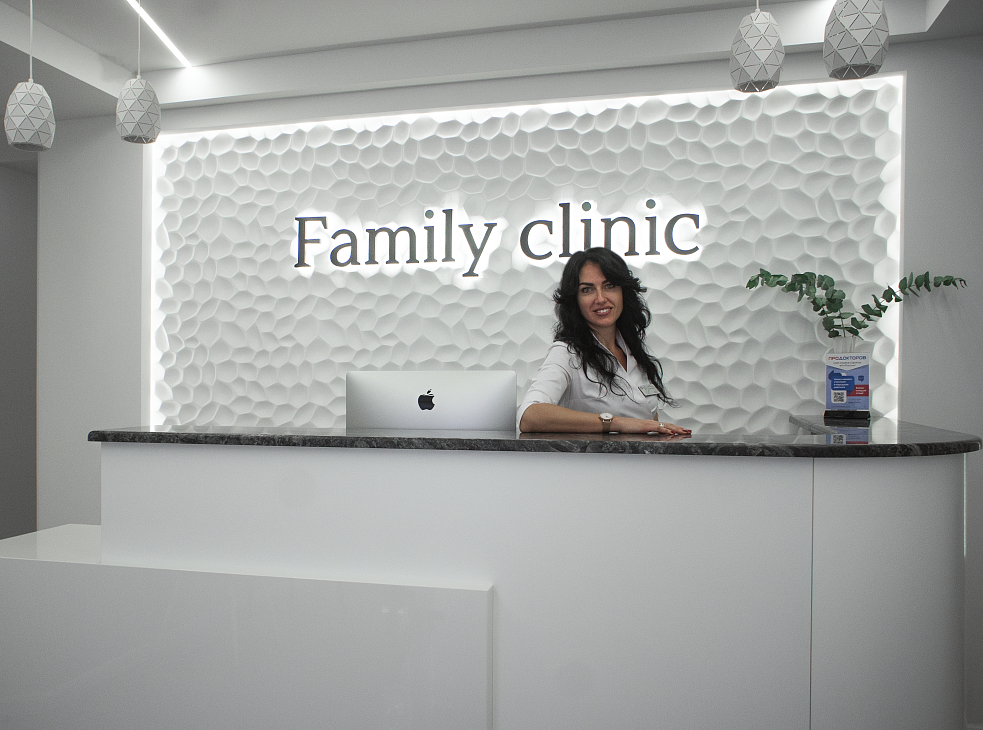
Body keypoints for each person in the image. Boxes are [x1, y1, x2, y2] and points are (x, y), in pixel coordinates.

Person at [518, 248, 690, 435]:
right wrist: (616, 423)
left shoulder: (632, 351)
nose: (600, 298)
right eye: (587, 290)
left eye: (609, 286)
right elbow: (529, 416)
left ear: (623, 292)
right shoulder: (566, 353)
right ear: (575, 300)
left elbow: (646, 419)